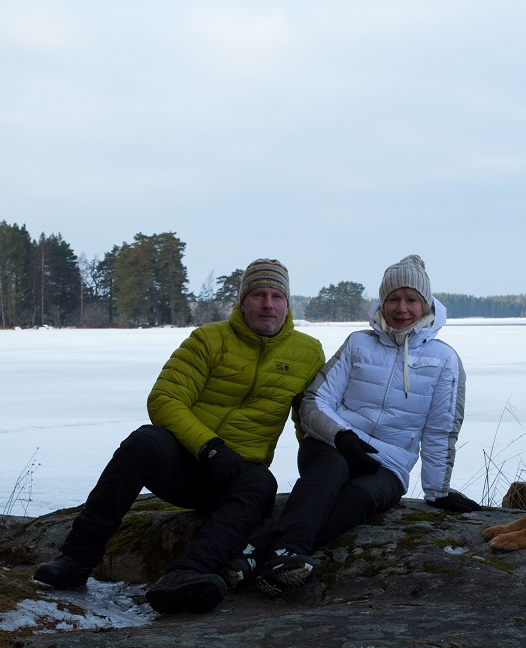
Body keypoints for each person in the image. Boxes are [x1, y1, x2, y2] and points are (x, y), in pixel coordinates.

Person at [33, 258, 325, 615]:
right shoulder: (208, 339)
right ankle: (76, 560)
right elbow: (164, 398)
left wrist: (322, 471)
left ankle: (185, 576)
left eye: (277, 296)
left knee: (262, 483)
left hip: (236, 476)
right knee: (144, 441)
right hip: (187, 460)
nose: (268, 304)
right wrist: (209, 447)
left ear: (287, 303)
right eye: (258, 294)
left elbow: (308, 417)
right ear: (242, 300)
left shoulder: (307, 352)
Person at [226, 254, 480, 596]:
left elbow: (440, 429)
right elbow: (315, 402)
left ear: (426, 305)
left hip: (387, 464)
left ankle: (259, 553)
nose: (401, 309)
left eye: (411, 300)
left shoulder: (444, 360)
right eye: (393, 299)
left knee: (360, 497)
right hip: (332, 445)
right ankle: (288, 554)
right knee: (329, 473)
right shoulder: (358, 344)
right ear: (382, 302)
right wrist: (341, 436)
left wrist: (437, 491)